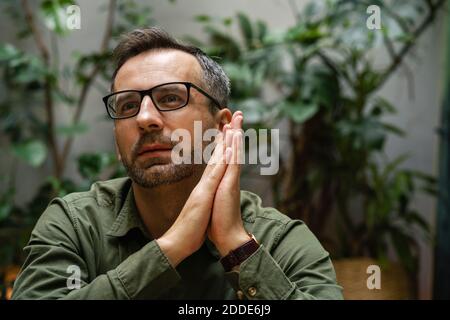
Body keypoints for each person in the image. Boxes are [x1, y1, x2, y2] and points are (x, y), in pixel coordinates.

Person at [12, 27, 343, 300]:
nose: (145, 118)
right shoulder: (74, 225)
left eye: (170, 98)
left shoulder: (279, 239)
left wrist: (235, 245)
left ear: (221, 127)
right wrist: (171, 248)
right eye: (127, 105)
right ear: (117, 139)